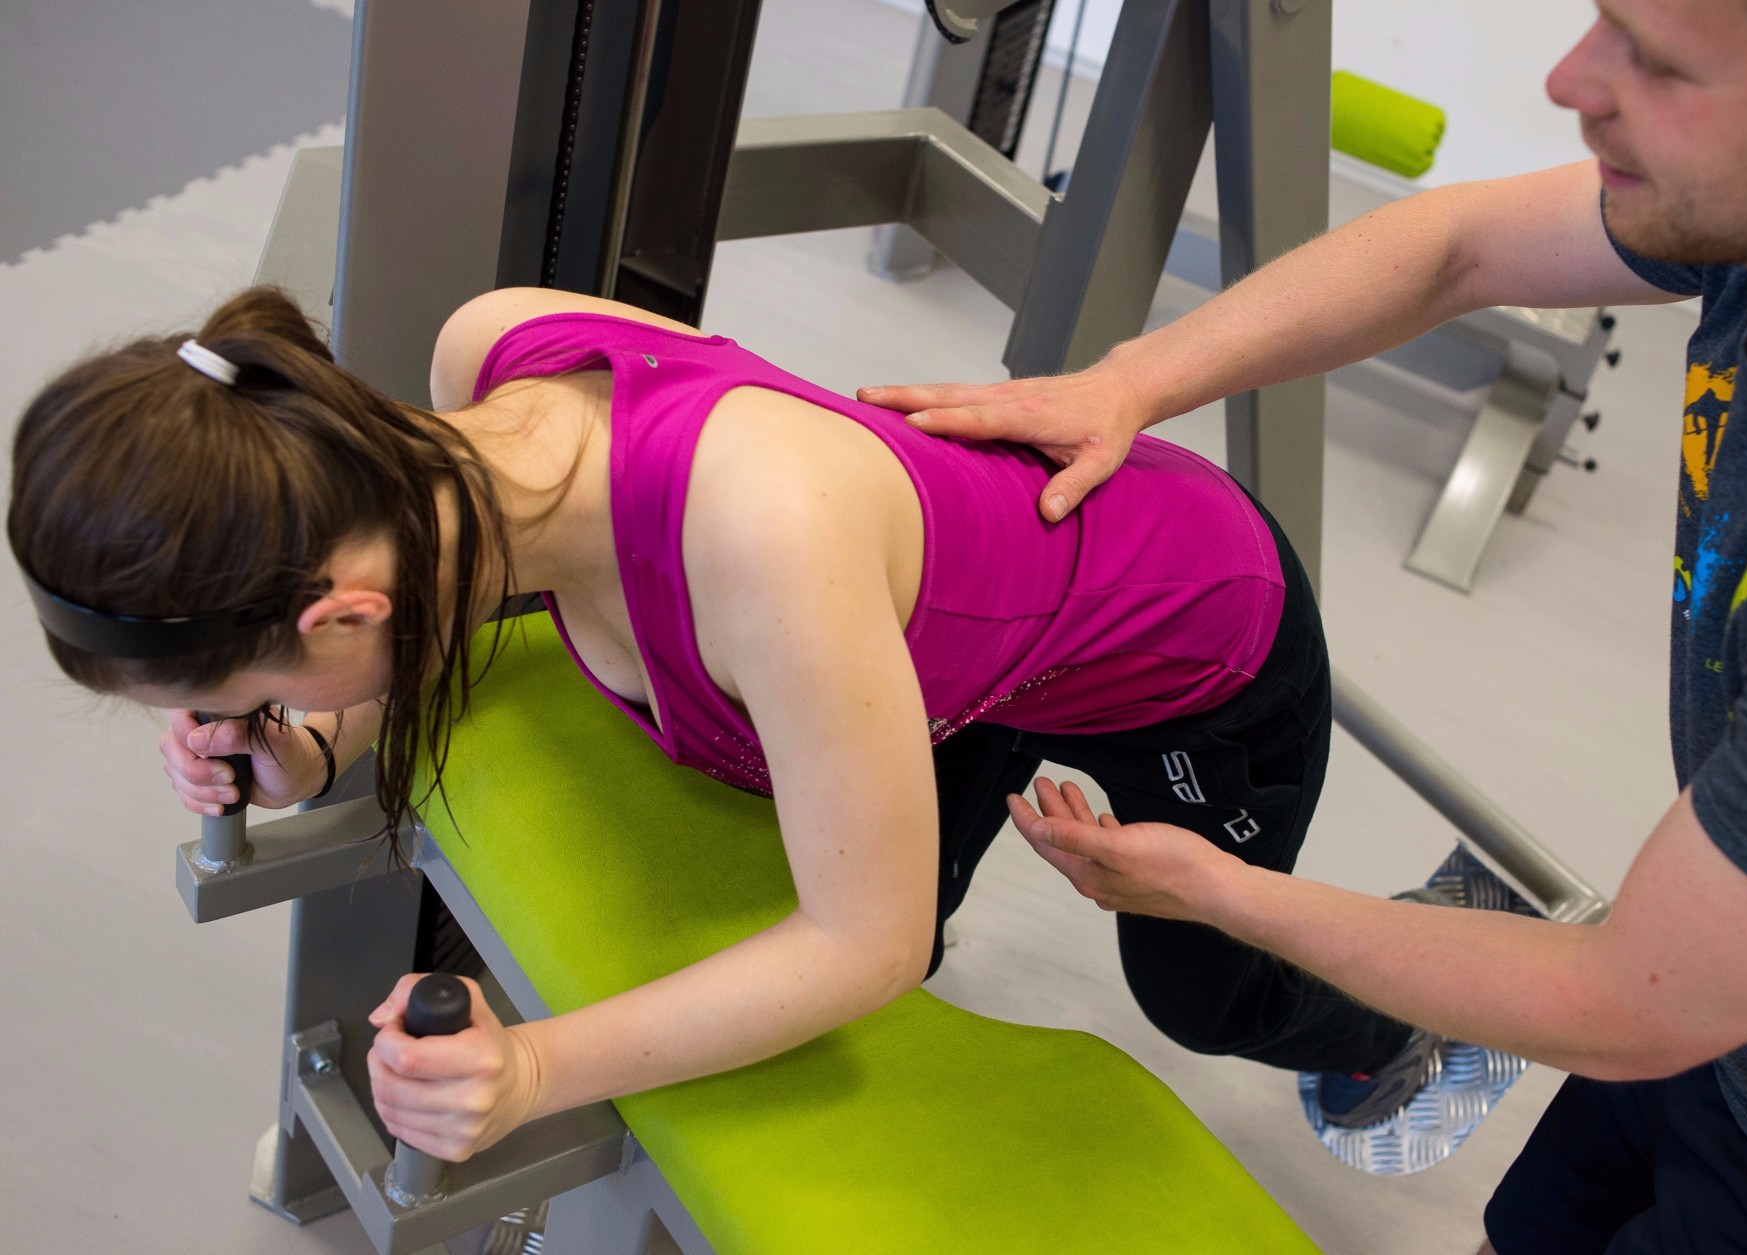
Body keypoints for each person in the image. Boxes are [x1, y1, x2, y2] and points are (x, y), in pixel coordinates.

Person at [860, 0, 1747, 1250]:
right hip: (1723, 1019)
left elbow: (1621, 1002)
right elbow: (1456, 246)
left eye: (1659, 64)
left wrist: (1218, 891)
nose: (1568, 82)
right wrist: (1128, 381)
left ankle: (1396, 1015)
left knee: (1205, 989)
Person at [8, 280, 1427, 1168]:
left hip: (1193, 637)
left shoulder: (763, 548)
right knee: (913, 921)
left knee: (1203, 992)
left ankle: (1411, 1008)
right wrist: (313, 744)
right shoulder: (475, 369)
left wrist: (534, 1065)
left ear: (336, 616)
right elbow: (449, 590)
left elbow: (859, 947)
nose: (241, 723)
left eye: (242, 697)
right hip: (937, 648)